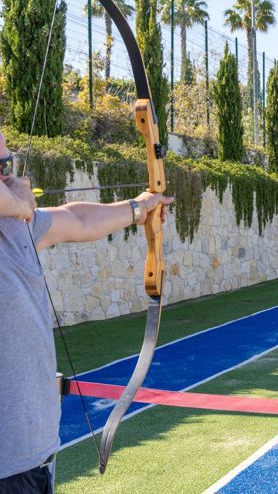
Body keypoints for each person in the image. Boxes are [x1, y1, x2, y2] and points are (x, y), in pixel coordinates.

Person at [0, 130, 173, 493]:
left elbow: (77, 220)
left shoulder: (17, 229)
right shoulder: (16, 215)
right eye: (2, 168)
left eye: (9, 164)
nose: (12, 176)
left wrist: (139, 209)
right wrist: (19, 204)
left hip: (34, 459)